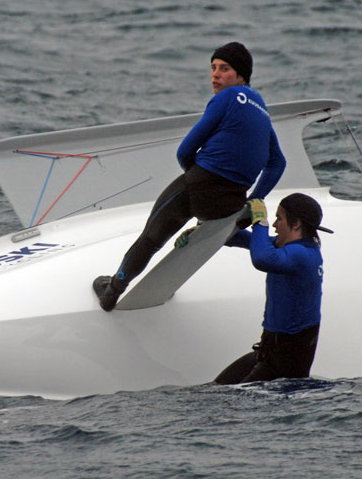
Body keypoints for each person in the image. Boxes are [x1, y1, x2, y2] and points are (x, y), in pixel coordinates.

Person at [92, 41, 286, 311]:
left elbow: (185, 150)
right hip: (233, 199)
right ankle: (275, 244)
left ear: (241, 75)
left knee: (151, 237)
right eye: (213, 68)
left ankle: (112, 290)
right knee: (222, 231)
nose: (215, 75)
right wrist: (255, 199)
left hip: (200, 183)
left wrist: (196, 178)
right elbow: (278, 164)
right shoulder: (262, 111)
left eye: (224, 68)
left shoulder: (226, 98)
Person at [213, 193, 331, 383]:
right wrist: (203, 233)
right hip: (268, 352)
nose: (275, 225)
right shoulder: (290, 249)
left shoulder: (303, 255)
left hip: (286, 363)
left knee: (226, 400)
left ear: (297, 224)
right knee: (216, 389)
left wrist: (261, 223)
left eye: (279, 218)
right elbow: (244, 240)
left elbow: (261, 258)